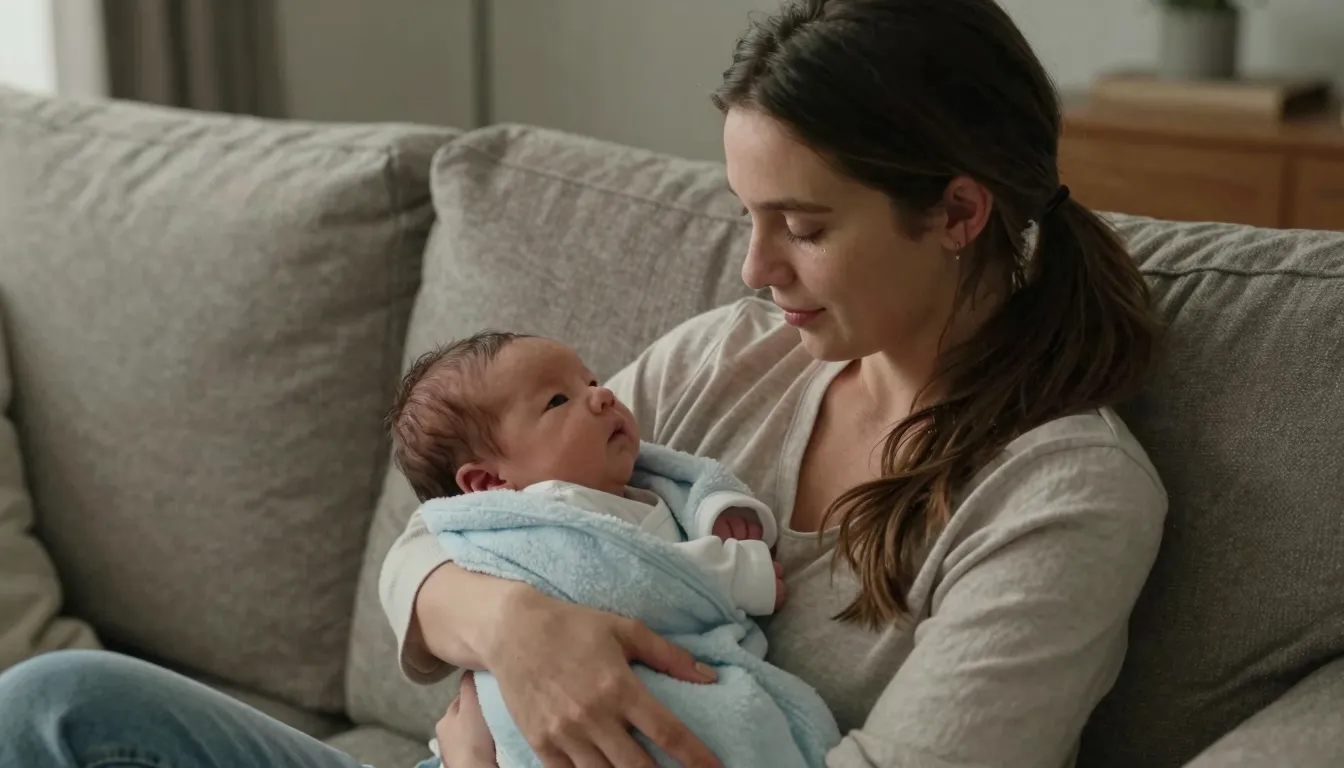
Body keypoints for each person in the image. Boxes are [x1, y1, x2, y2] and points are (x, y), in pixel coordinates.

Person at [0, 1, 1166, 767]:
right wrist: (518, 631)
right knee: (57, 706)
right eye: (748, 218)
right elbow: (436, 543)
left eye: (803, 228)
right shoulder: (736, 357)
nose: (757, 271)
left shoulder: (1062, 497)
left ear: (958, 213)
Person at [387, 330, 786, 618]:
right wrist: (737, 575)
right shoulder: (544, 523)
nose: (602, 394)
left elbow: (689, 477)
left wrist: (716, 507)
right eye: (558, 400)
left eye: (590, 381)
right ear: (489, 483)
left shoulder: (637, 478)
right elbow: (628, 580)